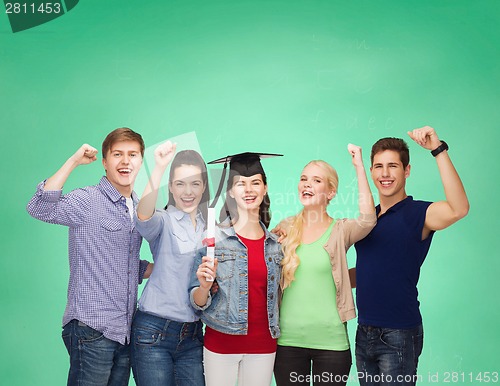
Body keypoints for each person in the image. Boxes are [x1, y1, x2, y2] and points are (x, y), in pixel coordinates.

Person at [26, 128, 153, 386]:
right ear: (105, 162)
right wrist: (74, 160)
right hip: (91, 328)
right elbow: (39, 207)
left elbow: (124, 264)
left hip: (124, 331)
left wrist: (165, 267)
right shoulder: (88, 200)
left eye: (132, 154)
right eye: (117, 154)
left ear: (141, 161)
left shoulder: (139, 207)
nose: (125, 161)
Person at [354, 126, 470, 386]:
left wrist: (438, 150)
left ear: (406, 171)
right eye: (378, 166)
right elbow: (368, 271)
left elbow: (459, 208)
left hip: (398, 333)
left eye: (393, 166)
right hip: (364, 332)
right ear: (371, 171)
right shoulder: (368, 219)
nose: (385, 173)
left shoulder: (419, 214)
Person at [273, 145, 376, 386]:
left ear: (331, 192)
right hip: (288, 343)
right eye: (303, 179)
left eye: (316, 180)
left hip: (331, 345)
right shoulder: (284, 228)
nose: (307, 184)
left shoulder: (341, 230)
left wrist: (359, 166)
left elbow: (368, 219)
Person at [190, 152, 283, 386]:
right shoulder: (214, 240)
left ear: (264, 188)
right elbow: (197, 301)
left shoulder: (275, 245)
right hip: (221, 345)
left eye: (255, 183)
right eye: (240, 183)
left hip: (263, 346)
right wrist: (203, 287)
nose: (248, 190)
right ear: (231, 191)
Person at [130, 141, 210, 386]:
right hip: (153, 331)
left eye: (195, 183)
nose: (188, 191)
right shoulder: (163, 221)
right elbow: (142, 215)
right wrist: (159, 167)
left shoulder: (212, 227)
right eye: (180, 183)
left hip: (193, 335)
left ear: (204, 186)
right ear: (172, 188)